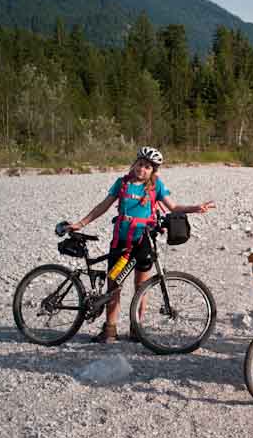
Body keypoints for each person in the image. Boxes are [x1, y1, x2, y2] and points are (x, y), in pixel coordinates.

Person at [69, 146, 215, 343]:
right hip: (121, 242)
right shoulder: (122, 184)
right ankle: (110, 329)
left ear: (153, 171)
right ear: (134, 164)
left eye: (147, 167)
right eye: (140, 164)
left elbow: (173, 207)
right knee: (114, 285)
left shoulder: (157, 186)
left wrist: (195, 208)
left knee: (141, 286)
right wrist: (81, 223)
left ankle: (136, 328)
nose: (142, 169)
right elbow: (103, 206)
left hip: (144, 242)